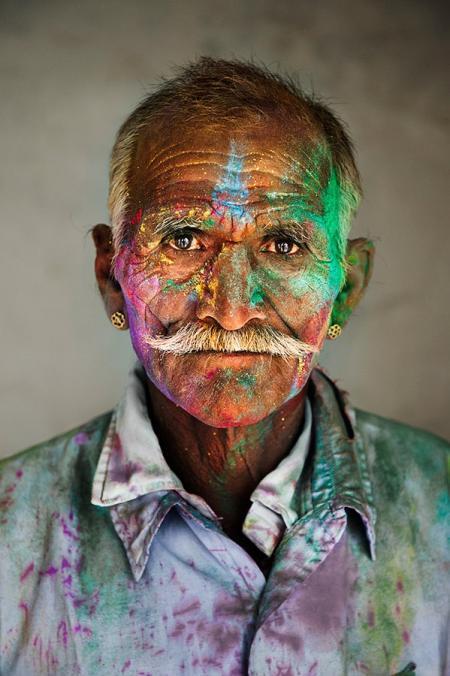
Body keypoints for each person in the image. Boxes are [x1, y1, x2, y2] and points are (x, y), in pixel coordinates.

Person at [0, 58, 447, 676]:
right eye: (184, 239)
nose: (233, 310)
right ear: (112, 278)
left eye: (284, 244)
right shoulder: (8, 536)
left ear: (345, 287)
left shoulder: (442, 508)